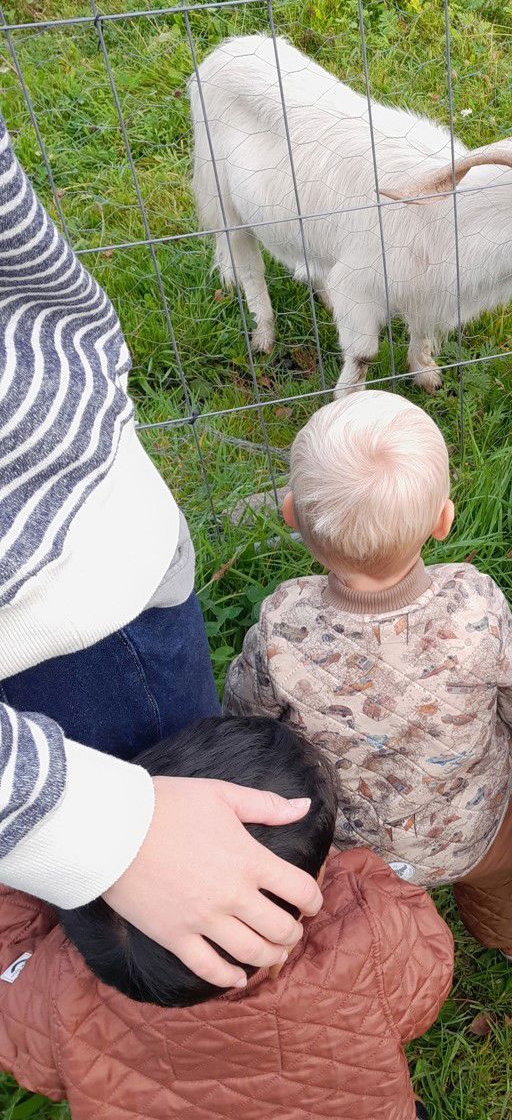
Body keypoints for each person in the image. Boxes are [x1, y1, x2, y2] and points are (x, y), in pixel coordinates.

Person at [0, 113, 320, 987]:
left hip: (66, 581)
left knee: (123, 917)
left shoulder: (285, 625)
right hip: (68, 599)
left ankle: (113, 990)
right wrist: (95, 828)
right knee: (153, 897)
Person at [224, 390, 512, 962]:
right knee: (506, 878)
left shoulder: (283, 627)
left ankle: (379, 966)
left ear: (291, 516)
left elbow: (246, 716)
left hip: (355, 841)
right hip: (476, 819)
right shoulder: (474, 605)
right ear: (444, 521)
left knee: (357, 910)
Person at [0, 716, 453, 1119]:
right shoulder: (364, 938)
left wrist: (36, 869)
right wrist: (353, 875)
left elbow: (21, 1039)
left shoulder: (60, 990)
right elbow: (429, 973)